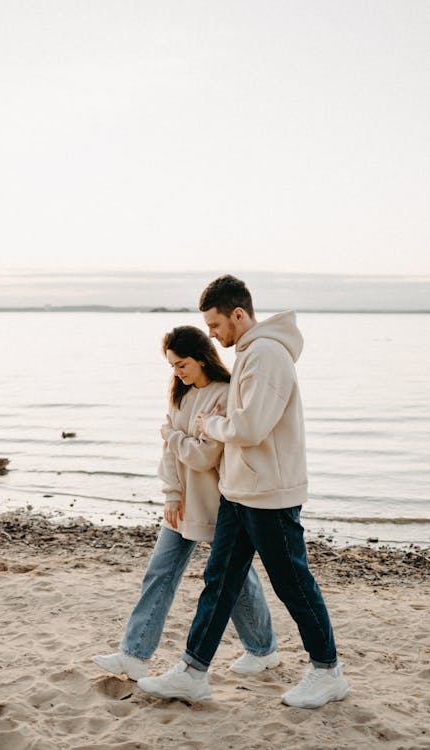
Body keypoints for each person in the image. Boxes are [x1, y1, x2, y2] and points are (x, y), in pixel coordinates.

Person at [137, 276, 350, 708]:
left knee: (293, 584)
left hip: (269, 494)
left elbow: (250, 427)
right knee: (219, 582)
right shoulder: (253, 354)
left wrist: (205, 425)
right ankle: (194, 672)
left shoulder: (268, 355)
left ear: (238, 314)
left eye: (215, 325)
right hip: (239, 492)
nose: (212, 336)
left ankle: (328, 672)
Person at [93, 325, 278, 685]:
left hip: (217, 503)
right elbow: (172, 454)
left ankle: (262, 649)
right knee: (160, 573)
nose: (176, 372)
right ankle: (133, 655)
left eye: (181, 364)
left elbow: (206, 456)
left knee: (236, 580)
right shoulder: (179, 396)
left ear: (202, 358)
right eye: (172, 365)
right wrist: (171, 493)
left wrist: (173, 436)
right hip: (182, 505)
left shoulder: (225, 395)